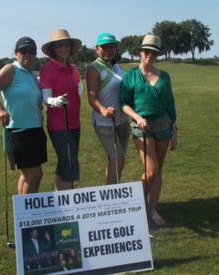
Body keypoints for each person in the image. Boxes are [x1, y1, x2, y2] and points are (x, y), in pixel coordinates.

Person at [120, 34, 178, 226]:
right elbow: (124, 104)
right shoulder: (130, 76)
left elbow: (170, 104)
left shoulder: (165, 76)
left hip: (163, 125)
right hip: (141, 126)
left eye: (154, 52)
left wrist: (174, 130)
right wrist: (137, 117)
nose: (150, 55)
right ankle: (137, 207)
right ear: (140, 52)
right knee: (150, 170)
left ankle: (152, 210)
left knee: (158, 170)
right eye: (147, 51)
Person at [0, 37, 47, 194]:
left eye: (32, 51)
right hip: (19, 130)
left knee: (27, 176)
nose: (28, 54)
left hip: (36, 129)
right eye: (23, 51)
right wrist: (0, 109)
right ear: (16, 53)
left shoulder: (31, 75)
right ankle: (28, 215)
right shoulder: (11, 69)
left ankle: (22, 215)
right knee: (34, 174)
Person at [40, 29, 82, 191]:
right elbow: (46, 97)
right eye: (60, 46)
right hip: (58, 125)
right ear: (53, 49)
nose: (64, 49)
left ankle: (60, 196)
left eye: (66, 45)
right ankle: (69, 203)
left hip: (74, 122)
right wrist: (54, 101)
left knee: (65, 161)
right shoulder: (48, 69)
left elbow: (77, 88)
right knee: (69, 163)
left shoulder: (72, 68)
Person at [86, 33, 130, 184]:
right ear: (97, 49)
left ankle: (110, 191)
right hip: (105, 123)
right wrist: (103, 110)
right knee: (118, 159)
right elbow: (91, 97)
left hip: (122, 121)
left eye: (112, 47)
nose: (108, 50)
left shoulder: (116, 66)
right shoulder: (94, 68)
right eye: (104, 47)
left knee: (115, 159)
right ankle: (113, 198)